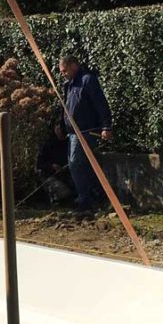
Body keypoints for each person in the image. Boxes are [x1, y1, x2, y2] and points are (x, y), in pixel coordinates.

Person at [55, 54, 112, 212]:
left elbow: (101, 104)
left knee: (76, 164)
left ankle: (85, 198)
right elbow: (66, 107)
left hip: (86, 131)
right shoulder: (69, 84)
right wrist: (61, 125)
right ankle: (91, 196)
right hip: (72, 133)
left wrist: (106, 127)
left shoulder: (87, 80)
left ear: (74, 65)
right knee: (80, 165)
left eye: (65, 70)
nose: (63, 73)